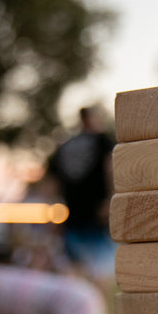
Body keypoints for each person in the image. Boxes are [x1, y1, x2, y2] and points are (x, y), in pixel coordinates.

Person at [46, 106, 115, 281]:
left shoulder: (65, 145)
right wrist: (111, 199)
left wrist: (54, 212)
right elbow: (111, 168)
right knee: (101, 270)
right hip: (97, 213)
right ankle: (95, 306)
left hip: (72, 215)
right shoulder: (102, 141)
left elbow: (53, 183)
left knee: (76, 269)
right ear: (91, 118)